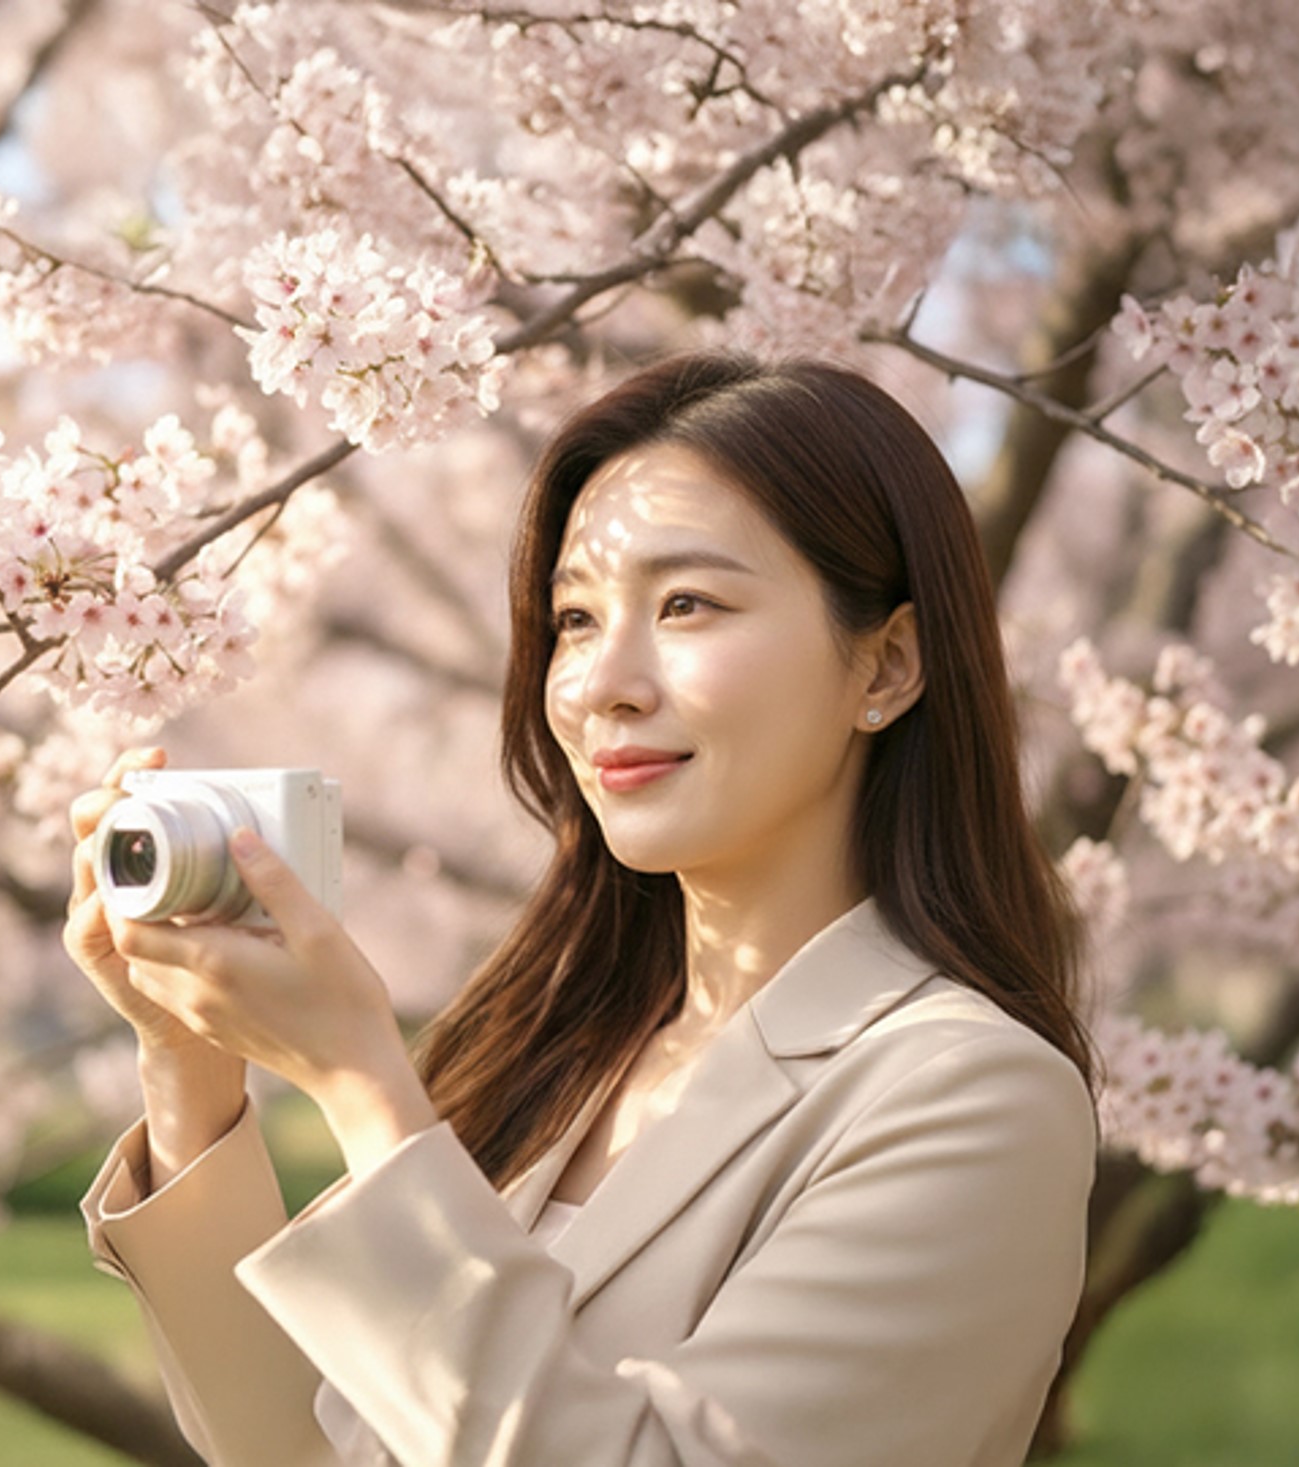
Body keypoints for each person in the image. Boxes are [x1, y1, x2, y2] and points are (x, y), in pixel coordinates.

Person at [65, 350, 1104, 1467]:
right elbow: (304, 1451)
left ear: (886, 666)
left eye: (687, 604)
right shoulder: (563, 1049)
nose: (601, 680)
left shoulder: (967, 1095)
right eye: (572, 618)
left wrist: (358, 1083)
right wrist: (188, 1067)